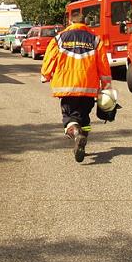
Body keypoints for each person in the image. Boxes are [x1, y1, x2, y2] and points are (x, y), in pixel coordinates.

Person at [40, 10, 112, 163]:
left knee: (70, 119)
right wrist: (106, 84)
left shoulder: (59, 38)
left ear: (71, 22)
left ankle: (76, 134)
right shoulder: (95, 40)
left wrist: (45, 75)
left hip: (67, 87)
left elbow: (49, 58)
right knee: (84, 118)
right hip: (88, 87)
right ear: (84, 23)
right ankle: (82, 141)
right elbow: (103, 64)